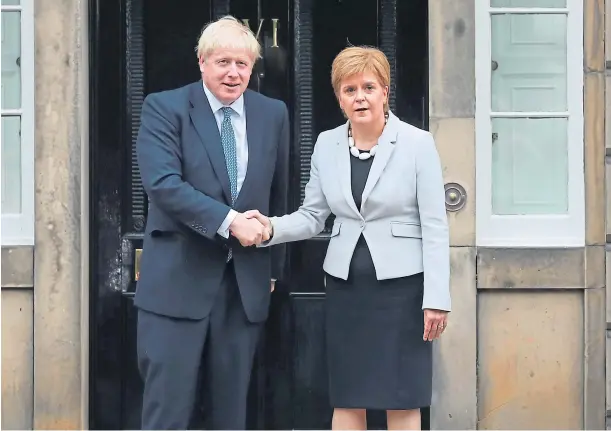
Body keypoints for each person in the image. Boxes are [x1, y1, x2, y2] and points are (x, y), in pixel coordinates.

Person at [246, 46, 450, 430]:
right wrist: (270, 229)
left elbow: (435, 225)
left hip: (404, 292)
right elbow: (312, 216)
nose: (360, 97)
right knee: (348, 394)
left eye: (368, 87)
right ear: (339, 98)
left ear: (385, 92)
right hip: (346, 289)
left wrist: (436, 298)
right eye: (349, 89)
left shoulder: (417, 143)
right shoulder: (327, 144)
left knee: (402, 397)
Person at [134, 16, 289, 430]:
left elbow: (279, 193)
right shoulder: (164, 108)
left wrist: (273, 268)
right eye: (223, 62)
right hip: (175, 287)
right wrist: (230, 221)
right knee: (168, 413)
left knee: (230, 416)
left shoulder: (272, 114)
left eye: (242, 64)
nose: (234, 73)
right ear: (202, 62)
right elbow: (163, 185)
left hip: (243, 289)